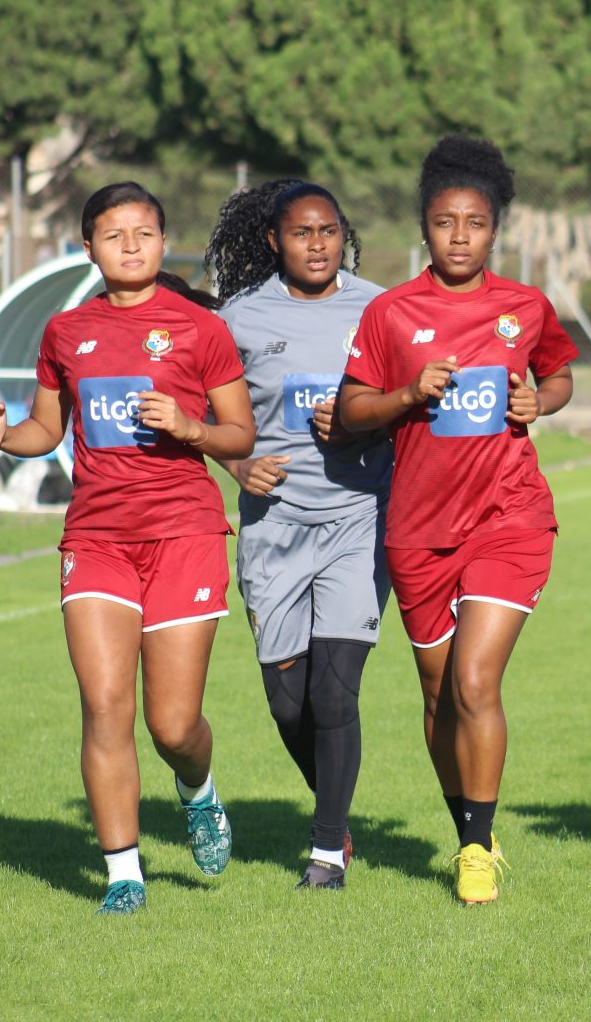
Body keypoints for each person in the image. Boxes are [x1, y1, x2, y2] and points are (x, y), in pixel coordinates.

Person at [0, 181, 255, 915]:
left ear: (164, 243)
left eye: (144, 233)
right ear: (89, 247)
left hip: (185, 536)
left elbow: (239, 435)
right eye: (113, 234)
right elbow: (46, 429)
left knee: (173, 724)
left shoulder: (200, 328)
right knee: (103, 707)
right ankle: (123, 874)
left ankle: (198, 790)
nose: (130, 246)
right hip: (96, 539)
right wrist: (7, 438)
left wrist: (189, 428)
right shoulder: (67, 332)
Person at [336, 135, 578, 905]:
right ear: (424, 228)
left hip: (510, 519)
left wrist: (544, 399)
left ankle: (476, 850)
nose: (460, 236)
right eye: (445, 222)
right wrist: (408, 396)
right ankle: (469, 825)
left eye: (475, 222)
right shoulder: (390, 313)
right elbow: (349, 411)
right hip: (416, 530)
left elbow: (560, 373)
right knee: (440, 698)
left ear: (496, 228)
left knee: (477, 681)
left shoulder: (524, 308)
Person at [204, 179, 390, 890]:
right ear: (275, 242)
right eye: (302, 233)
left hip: (358, 517)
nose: (317, 244)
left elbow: (408, 401)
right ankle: (337, 823)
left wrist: (362, 421)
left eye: (329, 231)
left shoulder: (379, 308)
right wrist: (237, 462)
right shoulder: (239, 320)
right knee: (289, 703)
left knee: (335, 696)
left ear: (343, 236)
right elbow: (204, 415)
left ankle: (324, 852)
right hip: (274, 526)